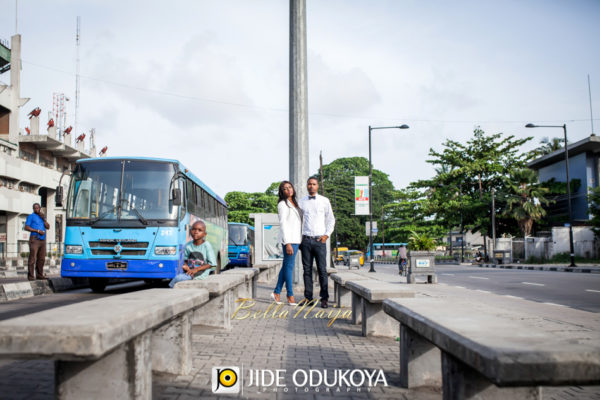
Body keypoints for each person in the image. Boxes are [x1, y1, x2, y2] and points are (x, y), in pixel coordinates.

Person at [299, 177, 335, 308]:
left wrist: (326, 235)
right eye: (309, 184)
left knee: (322, 270)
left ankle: (324, 298)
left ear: (317, 186)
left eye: (314, 184)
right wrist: (299, 239)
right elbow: (298, 221)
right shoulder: (301, 202)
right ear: (307, 186)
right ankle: (308, 298)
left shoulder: (325, 201)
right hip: (306, 240)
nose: (311, 186)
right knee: (306, 271)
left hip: (320, 240)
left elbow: (331, 219)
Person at [271, 181, 302, 306]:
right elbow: (283, 224)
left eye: (290, 187)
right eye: (285, 188)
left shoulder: (295, 203)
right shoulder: (283, 204)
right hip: (289, 240)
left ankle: (276, 292)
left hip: (297, 239)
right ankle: (290, 295)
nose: (288, 190)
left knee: (286, 267)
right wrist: (287, 243)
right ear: (282, 192)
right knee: (289, 267)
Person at [169, 220, 216, 288]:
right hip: (189, 273)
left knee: (178, 278)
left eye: (200, 230)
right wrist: (186, 266)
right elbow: (185, 260)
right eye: (194, 229)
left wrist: (196, 269)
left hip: (200, 275)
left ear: (204, 234)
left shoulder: (206, 245)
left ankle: (170, 290)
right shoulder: (188, 245)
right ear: (190, 231)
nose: (196, 232)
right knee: (178, 277)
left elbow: (212, 264)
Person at [24, 203, 50, 281]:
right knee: (32, 258)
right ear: (33, 209)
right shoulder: (31, 216)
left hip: (43, 240)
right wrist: (37, 231)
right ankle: (31, 276)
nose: (36, 209)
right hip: (34, 239)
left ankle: (39, 275)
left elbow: (48, 227)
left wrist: (44, 219)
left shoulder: (42, 217)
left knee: (41, 258)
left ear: (40, 208)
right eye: (35, 208)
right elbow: (26, 227)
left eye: (37, 208)